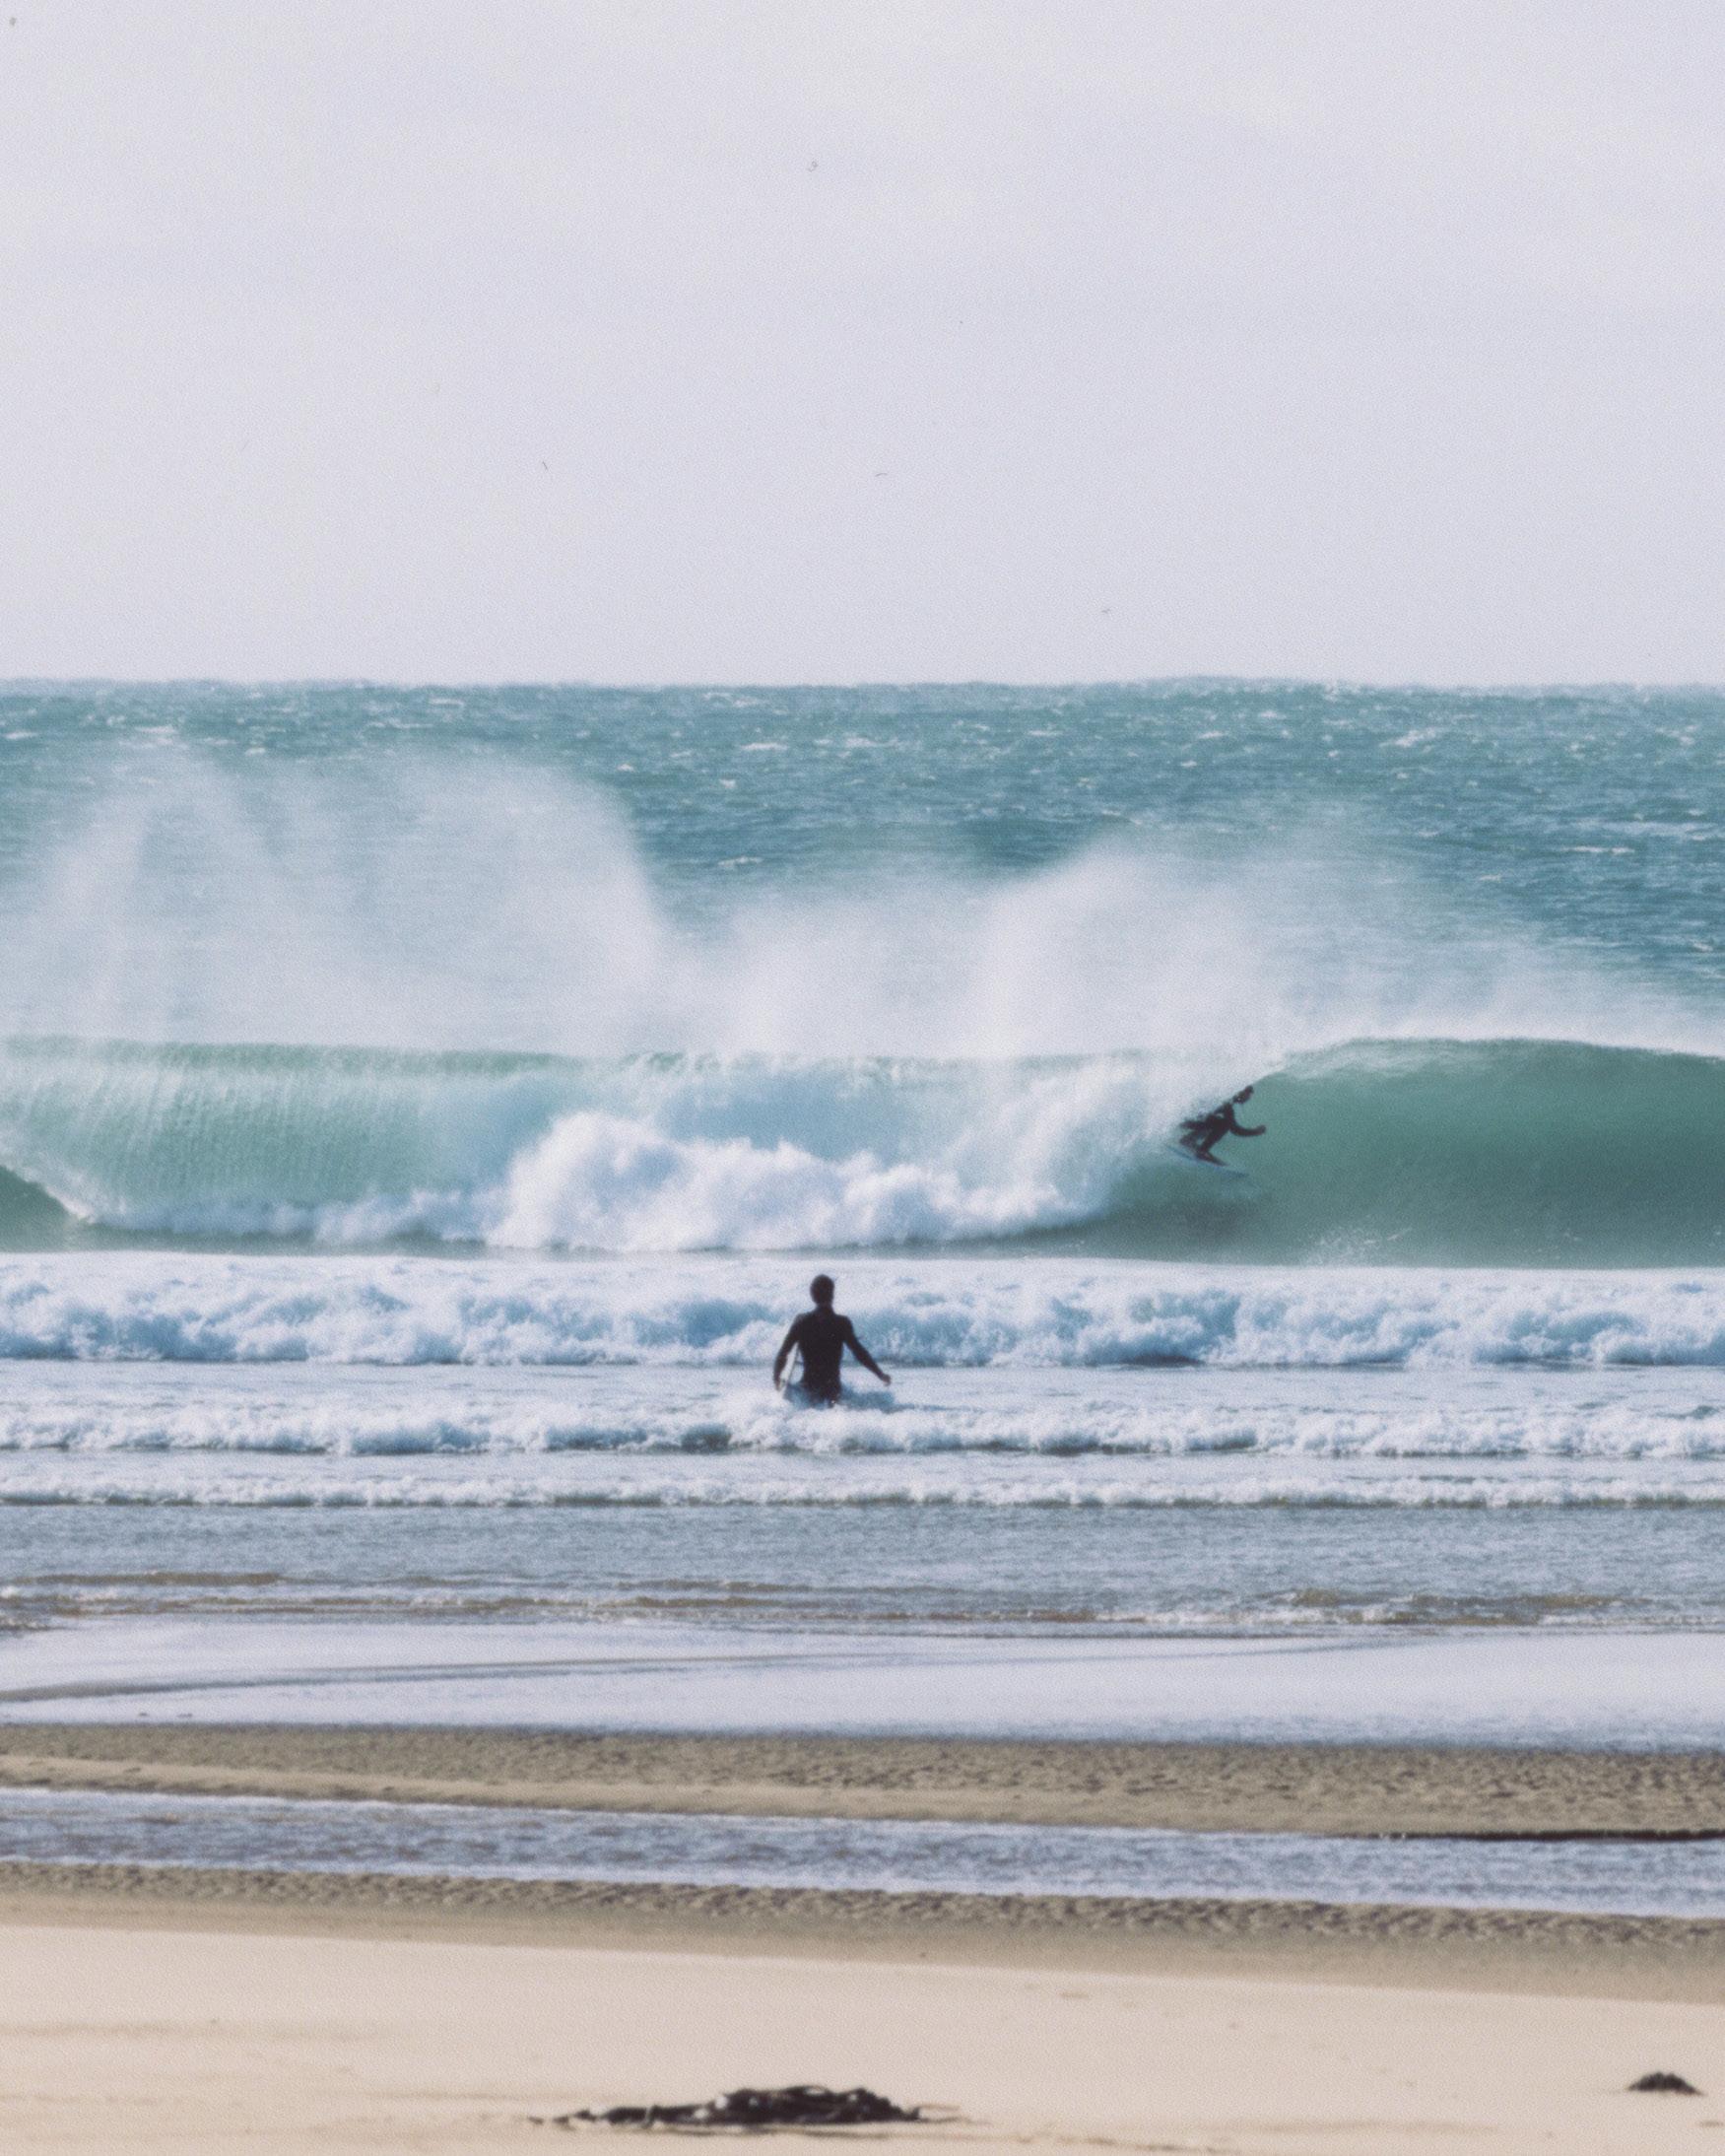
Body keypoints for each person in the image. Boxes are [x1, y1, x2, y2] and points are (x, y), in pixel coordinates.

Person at [772, 1274, 892, 1405]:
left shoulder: (800, 1322)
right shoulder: (842, 1323)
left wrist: (776, 1377)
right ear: (832, 1295)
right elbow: (859, 1353)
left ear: (812, 1296)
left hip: (807, 1390)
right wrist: (880, 1374)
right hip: (832, 1392)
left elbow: (784, 1353)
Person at [1176, 1086, 1266, 1163]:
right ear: (1241, 1092)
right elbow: (1235, 1130)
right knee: (1224, 1124)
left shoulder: (1224, 1096)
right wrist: (1255, 1132)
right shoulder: (1227, 1104)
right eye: (1248, 1094)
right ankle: (1201, 1151)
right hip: (1185, 1120)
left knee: (1215, 1121)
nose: (1249, 1098)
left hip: (1183, 1118)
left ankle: (1189, 1140)